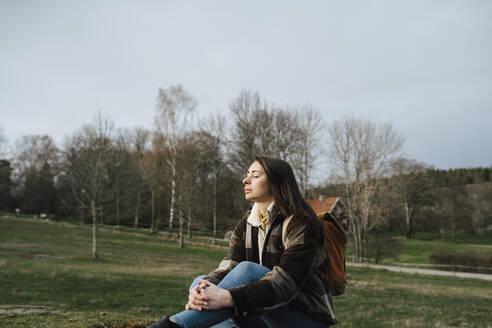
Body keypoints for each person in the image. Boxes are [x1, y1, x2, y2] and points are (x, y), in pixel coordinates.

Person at [147, 155, 337, 328]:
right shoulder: (247, 224)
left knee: (249, 271)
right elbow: (229, 266)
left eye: (255, 175)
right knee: (201, 282)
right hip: (264, 312)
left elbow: (285, 284)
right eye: (247, 175)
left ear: (277, 182)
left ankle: (172, 326)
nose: (245, 180)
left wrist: (229, 297)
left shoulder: (300, 222)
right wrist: (203, 289)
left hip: (305, 317)